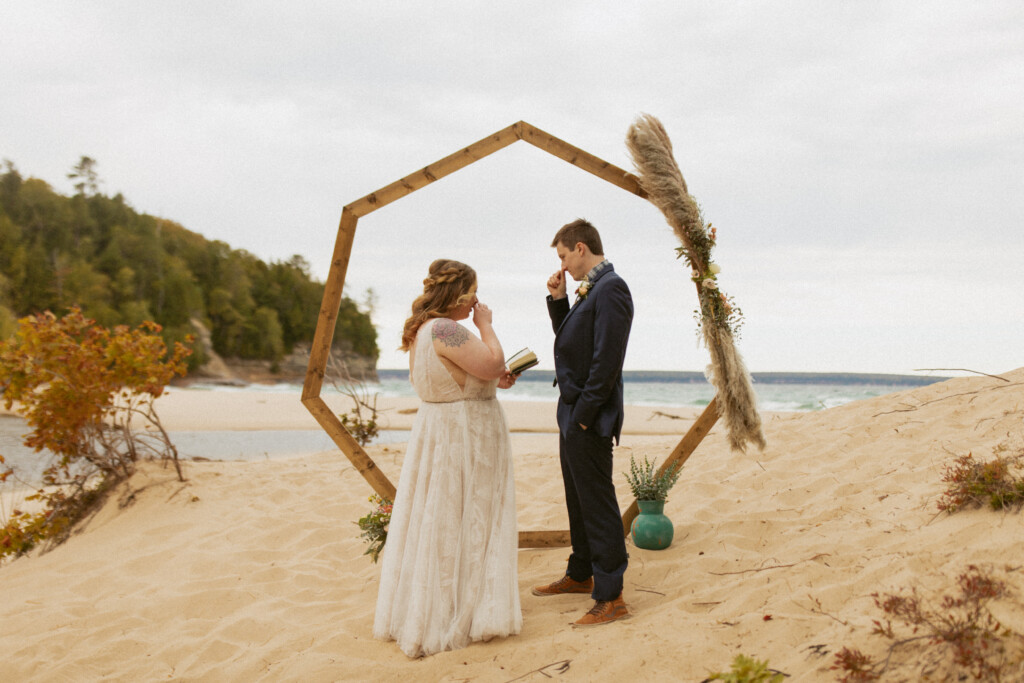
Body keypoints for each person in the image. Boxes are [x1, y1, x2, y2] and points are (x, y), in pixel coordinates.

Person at [373, 258, 522, 657]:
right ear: (460, 295)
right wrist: (486, 326)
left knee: (445, 519)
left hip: (441, 433)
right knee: (467, 518)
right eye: (473, 293)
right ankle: (461, 612)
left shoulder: (425, 330)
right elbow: (490, 362)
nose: (476, 302)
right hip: (463, 436)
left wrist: (494, 379)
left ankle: (446, 606)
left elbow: (471, 374)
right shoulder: (445, 328)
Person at [533, 218, 633, 627]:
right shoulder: (588, 290)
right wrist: (558, 300)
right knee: (577, 497)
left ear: (579, 247)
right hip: (572, 412)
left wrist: (585, 418)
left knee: (597, 502)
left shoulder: (612, 288)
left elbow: (606, 362)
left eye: (562, 256)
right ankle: (580, 573)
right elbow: (572, 344)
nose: (562, 265)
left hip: (588, 415)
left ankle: (612, 597)